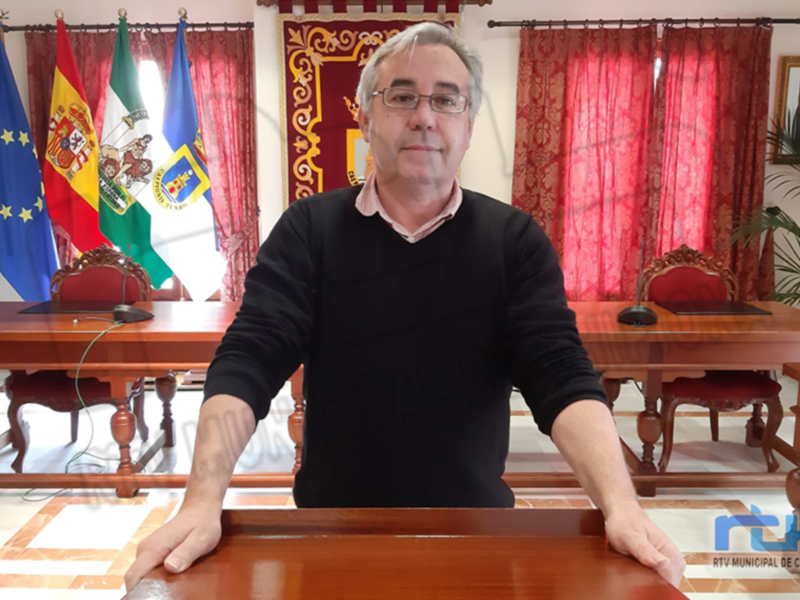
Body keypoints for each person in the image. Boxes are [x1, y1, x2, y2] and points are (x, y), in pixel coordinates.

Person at [125, 22, 686, 591]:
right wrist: (201, 502)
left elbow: (560, 374)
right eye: (402, 96)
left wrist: (620, 505)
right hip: (331, 530)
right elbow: (250, 359)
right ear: (366, 119)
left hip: (476, 531)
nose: (425, 116)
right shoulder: (308, 231)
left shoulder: (514, 239)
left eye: (447, 99)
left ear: (468, 126)